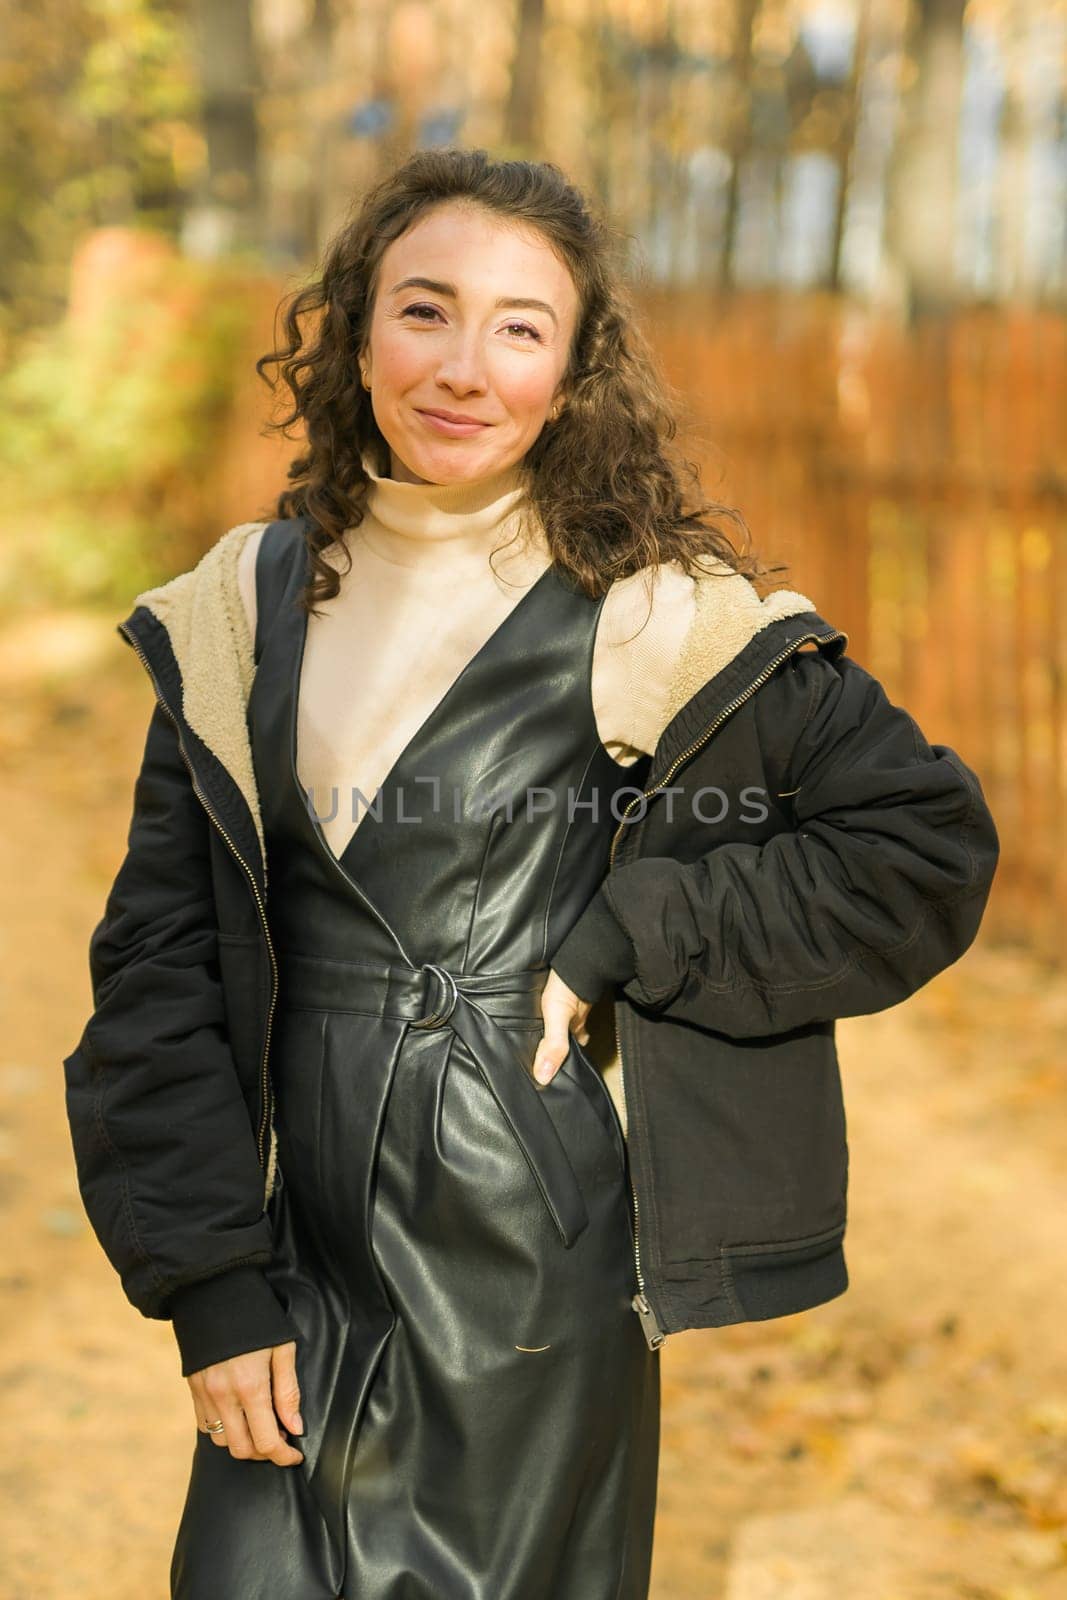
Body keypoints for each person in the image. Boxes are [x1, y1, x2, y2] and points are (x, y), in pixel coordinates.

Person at [63, 148, 999, 1600]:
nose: (465, 366)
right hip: (290, 1259)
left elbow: (923, 843)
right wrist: (208, 1284)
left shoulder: (651, 616)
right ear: (359, 330)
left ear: (570, 375)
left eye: (519, 328)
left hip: (522, 1271)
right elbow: (156, 967)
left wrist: (634, 924)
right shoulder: (238, 607)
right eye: (426, 311)